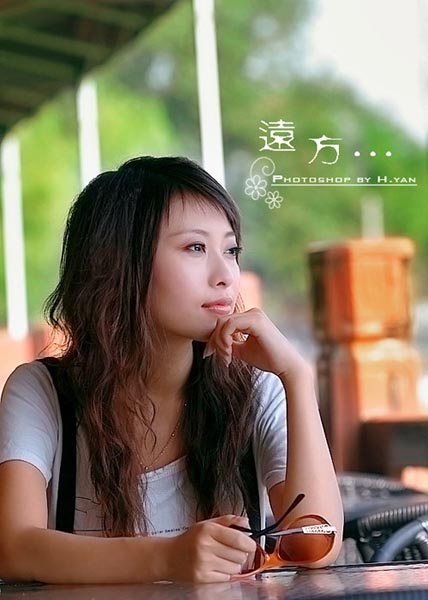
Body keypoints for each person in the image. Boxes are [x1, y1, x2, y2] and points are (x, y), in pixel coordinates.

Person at [0, 155, 343, 585]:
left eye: (231, 250)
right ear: (120, 262)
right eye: (195, 248)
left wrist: (296, 377)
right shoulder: (44, 392)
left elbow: (315, 546)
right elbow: (13, 547)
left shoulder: (257, 389)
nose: (225, 275)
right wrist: (168, 558)